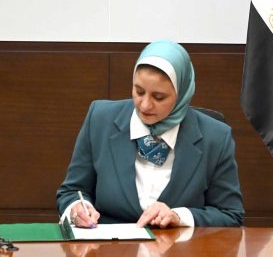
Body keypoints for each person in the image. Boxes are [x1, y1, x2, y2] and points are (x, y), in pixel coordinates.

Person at [57, 40, 244, 228]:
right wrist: (77, 208)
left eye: (159, 97)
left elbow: (230, 215)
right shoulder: (100, 120)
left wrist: (179, 216)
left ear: (182, 94)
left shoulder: (215, 137)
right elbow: (72, 191)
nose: (145, 105)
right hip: (109, 241)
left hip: (177, 243)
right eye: (139, 92)